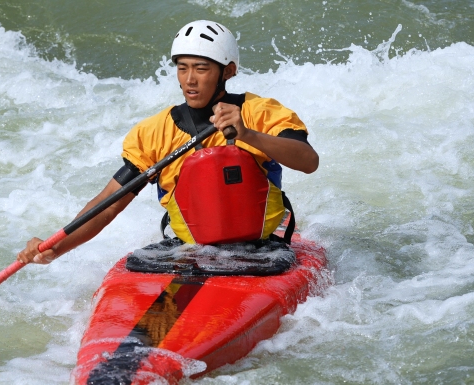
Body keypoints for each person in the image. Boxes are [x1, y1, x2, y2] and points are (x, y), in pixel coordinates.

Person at [17, 20, 318, 265]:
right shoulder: (155, 132)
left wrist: (248, 135)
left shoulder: (259, 112)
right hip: (190, 252)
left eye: (201, 68)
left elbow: (308, 161)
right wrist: (57, 247)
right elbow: (107, 204)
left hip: (262, 249)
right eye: (182, 67)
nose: (189, 79)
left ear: (227, 71)